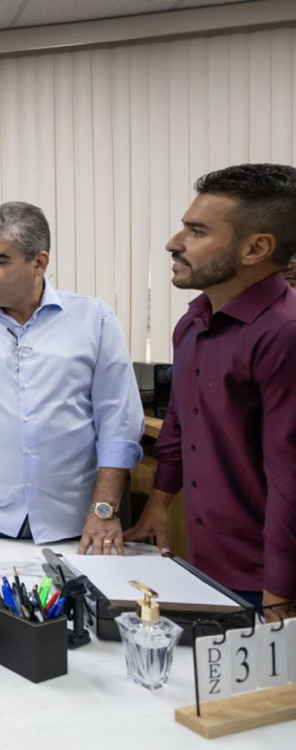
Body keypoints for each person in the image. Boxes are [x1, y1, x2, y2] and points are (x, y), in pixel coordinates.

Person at [0, 202, 143, 552]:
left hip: (78, 519)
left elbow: (118, 424)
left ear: (39, 262)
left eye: (0, 260)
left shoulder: (94, 319)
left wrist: (104, 509)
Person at [127, 164, 296, 618]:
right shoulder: (194, 321)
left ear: (256, 248)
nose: (174, 242)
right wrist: (159, 504)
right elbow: (180, 422)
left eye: (196, 231)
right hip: (208, 565)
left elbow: (290, 477)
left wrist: (280, 600)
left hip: (268, 584)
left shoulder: (284, 334)